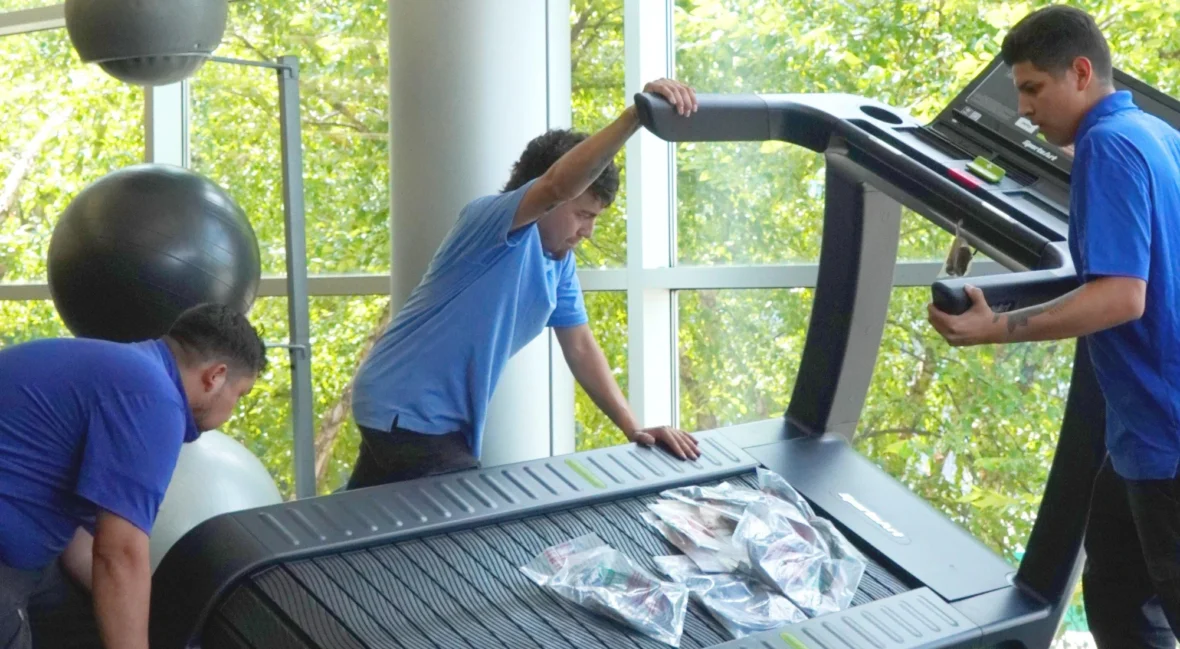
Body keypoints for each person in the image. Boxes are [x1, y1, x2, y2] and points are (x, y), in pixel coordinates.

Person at [926, 6, 1180, 647]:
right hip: (1140, 434)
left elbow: (1122, 296)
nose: (1025, 110)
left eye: (1034, 88)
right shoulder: (1155, 134)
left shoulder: (1106, 145)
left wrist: (996, 329)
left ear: (1082, 72)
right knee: (1118, 601)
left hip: (1166, 436)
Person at [348, 78, 702, 490]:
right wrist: (634, 116)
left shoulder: (557, 262)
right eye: (582, 214)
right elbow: (556, 185)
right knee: (465, 526)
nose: (586, 231)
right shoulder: (490, 222)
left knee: (360, 525)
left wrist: (633, 428)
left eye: (594, 218)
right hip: (406, 409)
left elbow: (581, 347)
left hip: (407, 407)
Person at [0, 303, 267, 649]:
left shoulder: (128, 371)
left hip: (25, 555)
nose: (234, 408)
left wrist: (153, 614)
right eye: (240, 395)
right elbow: (119, 553)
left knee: (87, 620)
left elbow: (79, 540)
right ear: (215, 376)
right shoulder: (154, 397)